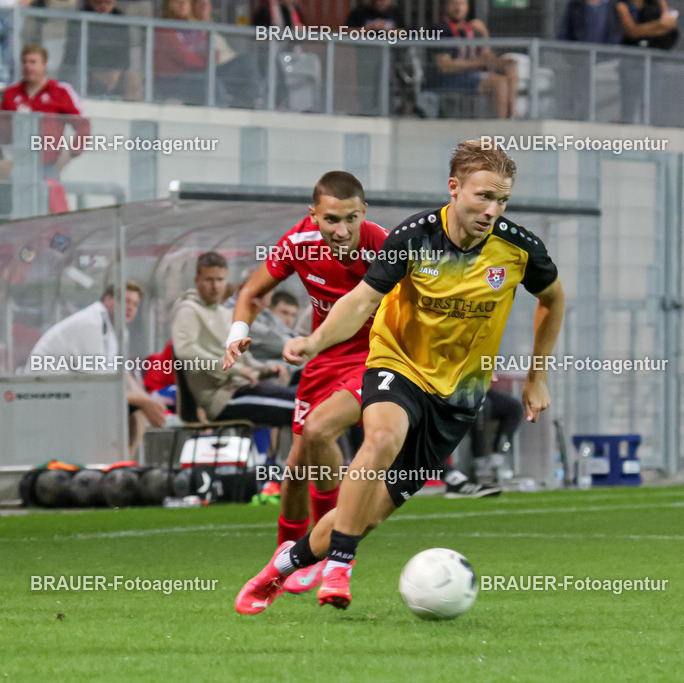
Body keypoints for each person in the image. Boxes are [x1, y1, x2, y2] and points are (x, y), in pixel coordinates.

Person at [234, 138, 564, 614]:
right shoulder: (413, 236)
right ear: (454, 189)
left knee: (364, 515)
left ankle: (280, 568)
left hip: (457, 398)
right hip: (397, 366)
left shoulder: (518, 248)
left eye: (502, 199)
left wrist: (538, 377)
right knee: (382, 436)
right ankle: (341, 565)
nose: (493, 209)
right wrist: (315, 341)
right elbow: (362, 301)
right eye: (483, 196)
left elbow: (554, 300)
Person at [224, 172, 389, 592]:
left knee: (319, 431)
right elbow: (252, 292)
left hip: (376, 355)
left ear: (363, 212)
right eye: (332, 219)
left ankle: (326, 549)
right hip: (322, 355)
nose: (342, 230)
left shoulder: (386, 246)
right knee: (297, 468)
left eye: (351, 218)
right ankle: (285, 560)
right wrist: (237, 332)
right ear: (312, 215)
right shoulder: (297, 243)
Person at [26, 282, 166, 457]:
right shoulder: (91, 324)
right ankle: (107, 472)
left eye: (135, 304)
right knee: (131, 411)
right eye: (125, 300)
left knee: (136, 413)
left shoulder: (117, 330)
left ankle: (120, 469)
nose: (130, 307)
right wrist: (145, 402)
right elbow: (103, 388)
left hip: (72, 395)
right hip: (46, 397)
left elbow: (123, 376)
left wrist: (147, 401)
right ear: (107, 299)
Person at [172, 251, 295, 426]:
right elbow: (187, 353)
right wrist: (237, 370)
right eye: (209, 280)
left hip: (244, 387)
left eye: (220, 280)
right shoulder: (188, 310)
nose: (215, 286)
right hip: (223, 398)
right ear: (197, 280)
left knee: (308, 401)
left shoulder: (226, 313)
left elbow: (245, 360)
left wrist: (267, 368)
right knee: (304, 409)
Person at [1, 45, 90, 181]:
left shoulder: (60, 92)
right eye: (25, 62)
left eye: (33, 62)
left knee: (49, 200)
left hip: (46, 166)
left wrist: (69, 155)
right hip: (15, 164)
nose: (28, 67)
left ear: (44, 64)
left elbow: (83, 126)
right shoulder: (10, 93)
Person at [433, 0, 518, 119]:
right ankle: (501, 125)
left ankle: (511, 113)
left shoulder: (472, 29)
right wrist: (478, 62)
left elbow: (487, 56)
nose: (458, 8)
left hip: (473, 75)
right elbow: (445, 66)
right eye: (454, 4)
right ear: (447, 6)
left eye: (462, 4)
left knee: (510, 68)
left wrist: (484, 34)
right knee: (500, 82)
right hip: (452, 78)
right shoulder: (441, 29)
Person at [62, 0, 142, 100]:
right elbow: (72, 53)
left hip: (113, 71)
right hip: (88, 69)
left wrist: (116, 72)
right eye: (98, 3)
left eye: (107, 3)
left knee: (133, 78)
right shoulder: (79, 19)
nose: (103, 6)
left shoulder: (121, 21)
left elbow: (124, 53)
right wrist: (93, 72)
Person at [191, 0, 265, 108]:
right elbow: (198, 53)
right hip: (216, 70)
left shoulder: (211, 24)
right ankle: (254, 102)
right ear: (193, 6)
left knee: (267, 62)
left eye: (207, 4)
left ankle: (277, 102)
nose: (204, 7)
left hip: (228, 62)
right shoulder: (192, 27)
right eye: (200, 3)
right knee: (249, 61)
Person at [614, 0, 677, 123]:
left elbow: (669, 24)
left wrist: (648, 29)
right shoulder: (623, 4)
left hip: (654, 58)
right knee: (629, 98)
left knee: (653, 99)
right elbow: (631, 30)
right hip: (631, 58)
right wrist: (658, 25)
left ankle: (652, 124)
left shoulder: (656, 4)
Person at [469, 387, 524, 486]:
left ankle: (497, 462)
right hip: (461, 391)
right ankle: (480, 466)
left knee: (515, 408)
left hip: (483, 390)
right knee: (481, 406)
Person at [558, 0, 622, 44]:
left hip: (605, 59)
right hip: (578, 58)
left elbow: (616, 34)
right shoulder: (574, 5)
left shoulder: (612, 5)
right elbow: (563, 35)